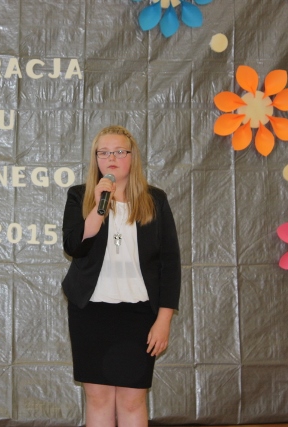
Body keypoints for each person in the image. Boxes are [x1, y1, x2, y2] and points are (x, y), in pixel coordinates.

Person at [61, 125, 181, 427]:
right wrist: (98, 207)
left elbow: (170, 262)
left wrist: (164, 320)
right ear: (95, 158)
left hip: (140, 314)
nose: (111, 158)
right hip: (90, 312)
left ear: (132, 156)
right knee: (98, 398)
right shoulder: (80, 195)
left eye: (118, 152)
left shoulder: (155, 199)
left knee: (131, 400)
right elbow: (74, 245)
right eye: (103, 152)